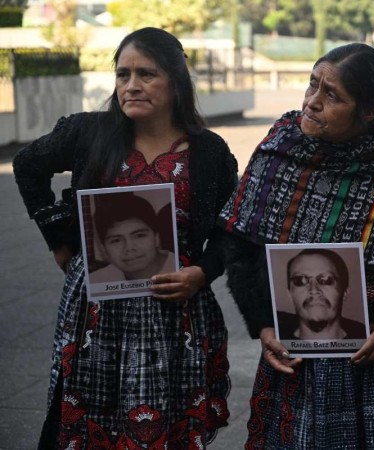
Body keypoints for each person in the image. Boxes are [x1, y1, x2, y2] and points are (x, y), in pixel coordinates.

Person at [13, 27, 238, 448]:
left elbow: (232, 229)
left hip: (174, 315)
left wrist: (202, 273)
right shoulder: (88, 133)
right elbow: (27, 165)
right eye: (122, 74)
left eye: (146, 74)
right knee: (84, 422)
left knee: (167, 429)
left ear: (176, 80)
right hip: (97, 315)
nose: (131, 85)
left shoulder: (209, 152)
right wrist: (61, 242)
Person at [219, 43, 374, 448]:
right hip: (295, 364)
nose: (312, 102)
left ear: (369, 111)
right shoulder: (278, 151)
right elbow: (240, 246)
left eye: (332, 95)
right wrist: (263, 325)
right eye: (312, 85)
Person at [277, 248, 366, 340]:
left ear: (344, 292)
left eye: (326, 280)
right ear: (289, 293)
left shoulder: (367, 340)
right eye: (300, 280)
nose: (314, 290)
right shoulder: (274, 338)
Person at [89, 192, 175, 283]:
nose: (129, 248)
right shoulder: (96, 281)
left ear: (156, 238)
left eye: (139, 235)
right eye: (116, 240)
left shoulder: (182, 271)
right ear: (104, 249)